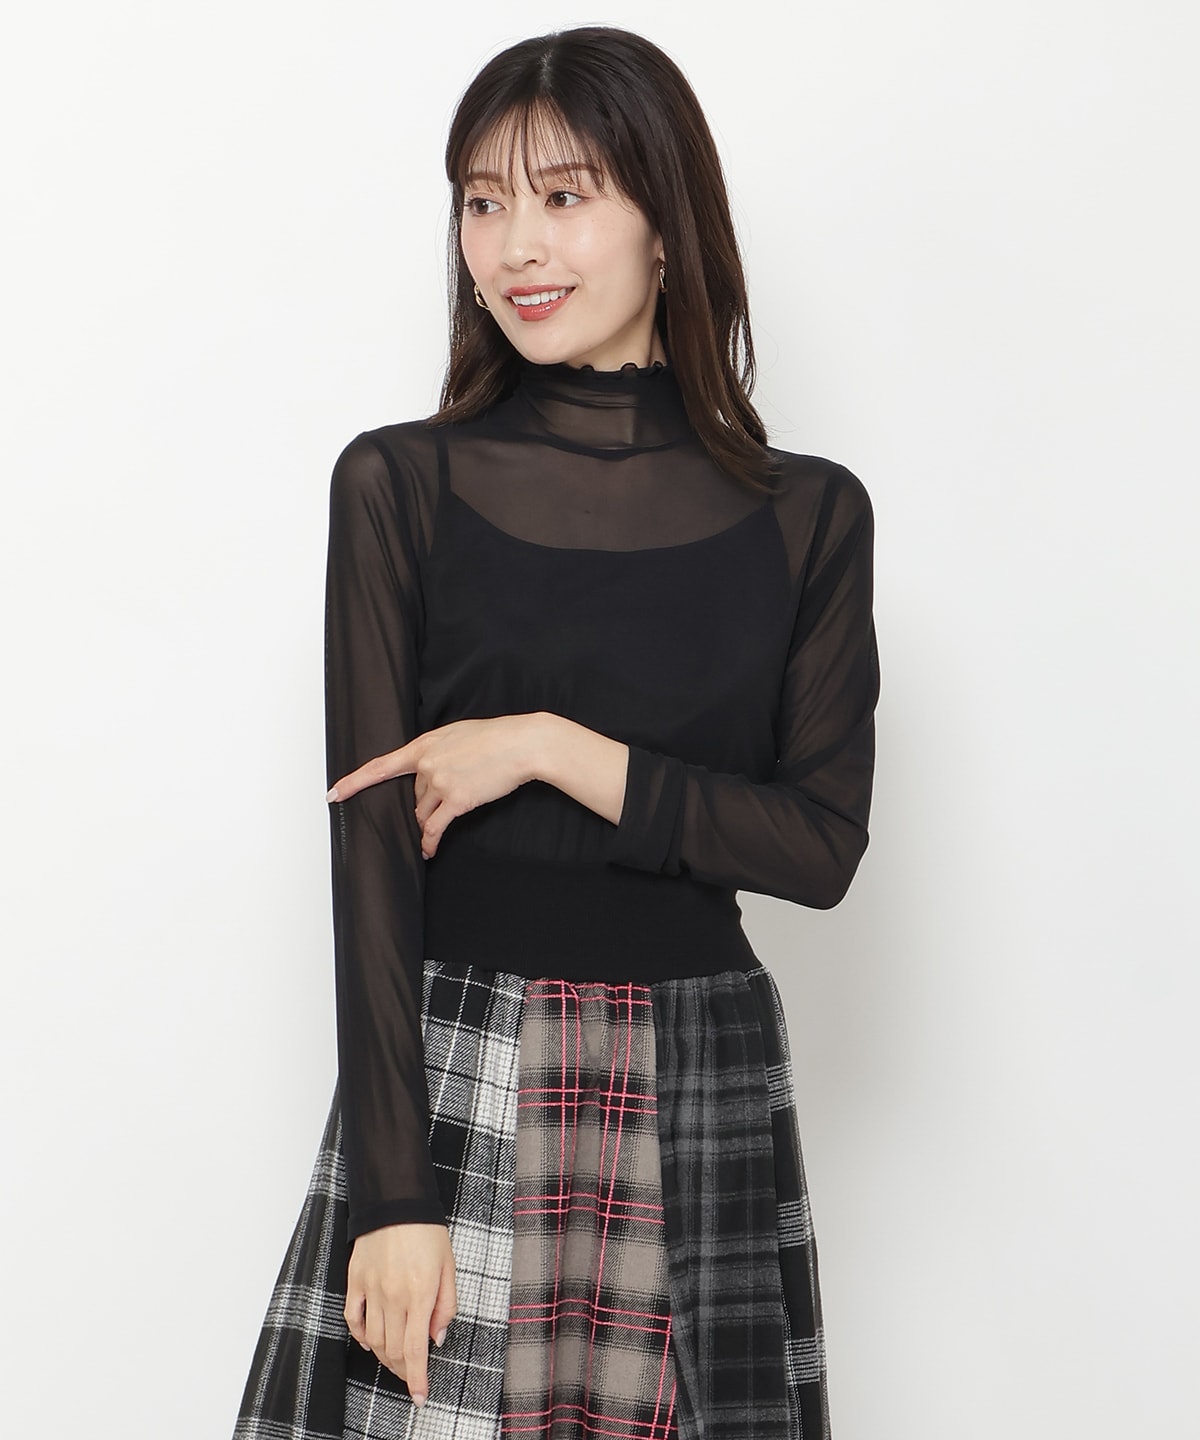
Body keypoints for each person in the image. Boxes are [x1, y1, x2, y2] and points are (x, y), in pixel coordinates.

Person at [233, 24, 879, 1440]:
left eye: (565, 196)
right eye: (482, 201)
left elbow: (820, 847)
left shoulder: (810, 515)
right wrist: (392, 1198)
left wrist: (547, 746)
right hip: (458, 1058)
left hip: (698, 1073)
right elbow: (371, 865)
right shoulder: (399, 485)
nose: (515, 244)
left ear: (667, 222)